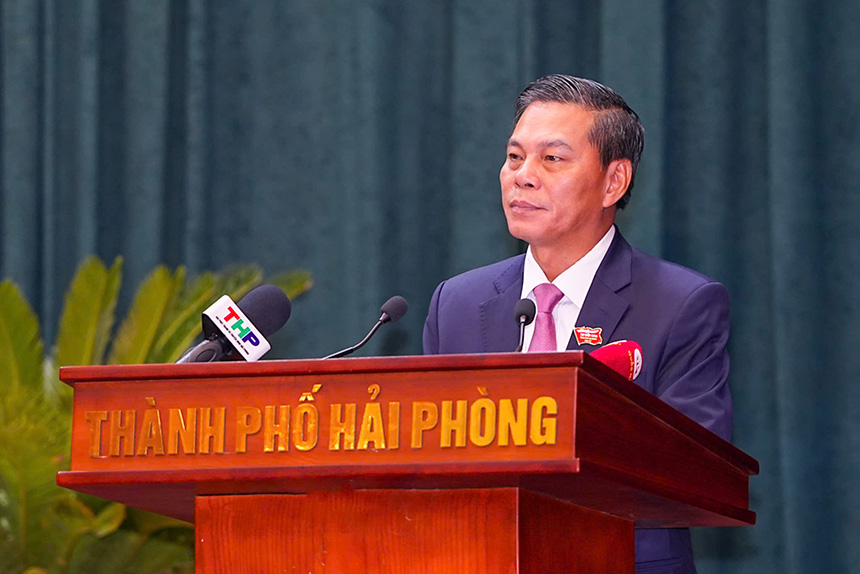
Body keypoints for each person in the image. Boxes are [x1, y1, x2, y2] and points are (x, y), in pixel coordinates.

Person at [423, 74, 732, 574]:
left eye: (553, 159)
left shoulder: (681, 304)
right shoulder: (456, 303)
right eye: (514, 156)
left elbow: (695, 470)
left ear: (614, 181)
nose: (522, 176)